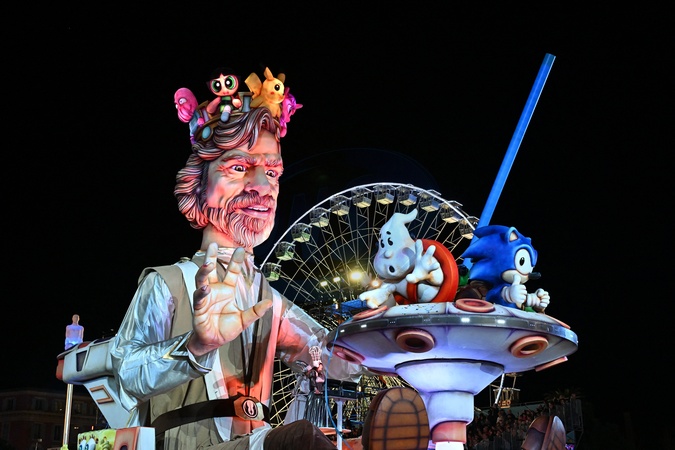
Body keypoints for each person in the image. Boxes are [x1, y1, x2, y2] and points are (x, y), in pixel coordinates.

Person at [109, 95, 367, 450]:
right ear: (199, 184)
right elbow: (126, 374)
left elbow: (335, 361)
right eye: (239, 167)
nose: (262, 186)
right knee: (300, 440)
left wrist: (382, 334)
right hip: (185, 444)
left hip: (257, 441)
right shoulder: (166, 284)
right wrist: (195, 345)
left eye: (272, 172)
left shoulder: (269, 301)